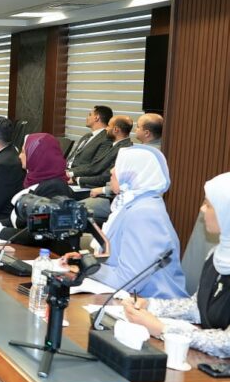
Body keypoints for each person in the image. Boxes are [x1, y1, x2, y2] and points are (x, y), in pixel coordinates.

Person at [124, 172, 230, 382]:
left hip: (222, 378)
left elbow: (227, 343)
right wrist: (150, 306)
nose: (201, 210)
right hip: (212, 368)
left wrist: (161, 329)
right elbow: (198, 306)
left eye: (208, 205)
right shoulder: (219, 255)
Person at [91, 145, 187, 299]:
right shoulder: (132, 203)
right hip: (127, 298)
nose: (112, 171)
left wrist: (86, 267)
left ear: (135, 174)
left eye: (119, 165)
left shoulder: (144, 213)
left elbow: (128, 282)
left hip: (150, 304)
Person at [0, 133, 75, 249]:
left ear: (37, 157)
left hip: (47, 254)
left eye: (23, 152)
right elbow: (20, 220)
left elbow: (37, 235)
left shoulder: (55, 188)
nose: (19, 156)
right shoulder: (35, 180)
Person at [74, 115, 134, 189]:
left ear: (116, 129)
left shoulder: (124, 150)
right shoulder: (111, 145)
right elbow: (94, 167)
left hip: (100, 189)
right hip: (90, 183)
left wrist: (77, 180)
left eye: (108, 126)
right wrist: (71, 175)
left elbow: (106, 178)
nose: (106, 129)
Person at [67, 105, 113, 175]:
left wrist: (69, 173)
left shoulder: (106, 139)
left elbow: (94, 167)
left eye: (90, 115)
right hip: (65, 170)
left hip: (76, 174)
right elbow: (73, 157)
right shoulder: (87, 136)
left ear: (96, 118)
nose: (87, 118)